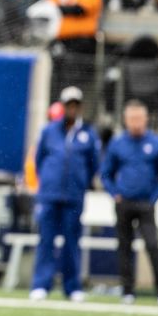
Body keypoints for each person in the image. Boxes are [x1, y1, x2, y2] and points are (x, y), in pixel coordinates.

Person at [30, 86, 102, 302]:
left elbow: (93, 165)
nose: (71, 109)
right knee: (46, 240)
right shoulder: (49, 131)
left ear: (80, 108)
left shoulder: (87, 134)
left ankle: (72, 287)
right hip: (50, 195)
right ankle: (41, 284)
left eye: (75, 105)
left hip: (73, 195)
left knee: (72, 241)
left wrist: (79, 182)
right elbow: (39, 160)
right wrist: (49, 181)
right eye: (68, 105)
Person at [100, 100, 158, 305]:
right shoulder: (118, 143)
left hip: (145, 205)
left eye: (139, 118)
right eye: (132, 119)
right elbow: (106, 173)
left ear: (146, 119)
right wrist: (114, 194)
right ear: (126, 120)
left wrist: (153, 198)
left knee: (152, 245)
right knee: (124, 246)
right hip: (124, 203)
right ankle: (127, 291)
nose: (136, 123)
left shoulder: (156, 144)